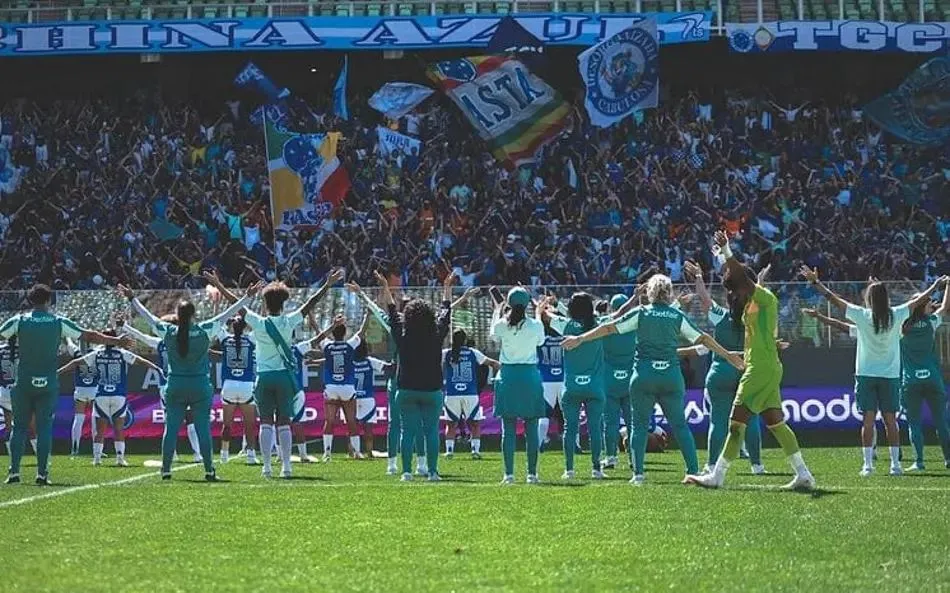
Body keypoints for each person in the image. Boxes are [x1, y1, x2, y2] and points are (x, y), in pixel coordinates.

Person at [563, 274, 743, 485]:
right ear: (669, 293)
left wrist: (580, 338)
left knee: (638, 427)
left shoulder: (641, 313)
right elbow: (703, 338)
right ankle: (692, 471)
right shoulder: (676, 315)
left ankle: (638, 475)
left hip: (644, 376)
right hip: (671, 376)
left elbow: (610, 327)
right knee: (680, 426)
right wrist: (728, 355)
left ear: (649, 292)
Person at [686, 232, 816, 490]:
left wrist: (727, 251)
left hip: (758, 369)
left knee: (735, 424)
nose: (735, 292)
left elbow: (743, 281)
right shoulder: (750, 307)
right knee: (776, 423)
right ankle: (803, 474)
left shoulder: (764, 298)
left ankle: (717, 475)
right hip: (765, 366)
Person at [800, 267, 946, 476]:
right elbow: (918, 300)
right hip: (890, 375)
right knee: (891, 421)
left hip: (866, 374)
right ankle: (895, 465)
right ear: (886, 298)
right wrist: (934, 286)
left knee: (868, 421)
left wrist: (816, 283)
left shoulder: (862, 315)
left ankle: (868, 466)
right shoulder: (897, 314)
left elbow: (834, 299)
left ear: (868, 299)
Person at [121, 280, 258, 481]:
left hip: (175, 384)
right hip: (199, 386)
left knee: (171, 429)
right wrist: (247, 296)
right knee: (203, 429)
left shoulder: (168, 331)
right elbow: (228, 314)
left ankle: (166, 470)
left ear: (177, 315)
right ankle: (209, 470)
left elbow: (149, 318)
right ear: (194, 315)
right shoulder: (204, 329)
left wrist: (132, 298)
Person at [1, 284, 128, 485]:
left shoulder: (19, 321)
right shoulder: (59, 322)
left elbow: (2, 333)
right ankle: (42, 474)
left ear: (31, 300)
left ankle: (14, 473)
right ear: (49, 301)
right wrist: (116, 341)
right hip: (48, 382)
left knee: (19, 428)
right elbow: (89, 335)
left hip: (23, 382)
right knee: (44, 429)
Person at [243, 272, 341, 478]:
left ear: (265, 302)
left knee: (266, 422)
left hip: (263, 376)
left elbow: (234, 305)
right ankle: (286, 467)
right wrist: (327, 283)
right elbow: (311, 303)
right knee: (285, 421)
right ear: (283, 303)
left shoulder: (259, 323)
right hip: (284, 377)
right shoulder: (289, 321)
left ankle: (267, 467)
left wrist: (228, 289)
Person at [684, 261, 767, 475]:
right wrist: (760, 281)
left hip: (720, 371)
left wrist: (700, 277)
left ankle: (711, 465)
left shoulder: (720, 316)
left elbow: (704, 300)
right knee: (751, 419)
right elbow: (760, 299)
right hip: (747, 371)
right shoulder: (755, 317)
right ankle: (757, 465)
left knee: (718, 421)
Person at [385, 273, 455, 482]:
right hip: (432, 389)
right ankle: (432, 472)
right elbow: (446, 313)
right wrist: (446, 288)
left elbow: (391, 311)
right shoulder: (436, 334)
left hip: (406, 389)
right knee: (431, 431)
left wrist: (384, 287)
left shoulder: (402, 334)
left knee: (407, 431)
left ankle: (406, 472)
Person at [57, 333, 161, 467]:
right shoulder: (122, 353)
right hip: (118, 395)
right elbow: (141, 361)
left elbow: (76, 362)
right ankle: (120, 458)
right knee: (119, 429)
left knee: (100, 429)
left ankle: (97, 458)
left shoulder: (97, 354)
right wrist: (157, 368)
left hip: (101, 394)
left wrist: (58, 371)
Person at [119, 314, 204, 463]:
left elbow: (142, 336)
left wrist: (125, 327)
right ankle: (197, 454)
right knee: (190, 419)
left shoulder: (160, 343)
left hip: (166, 385)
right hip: (184, 383)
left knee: (170, 421)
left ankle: (173, 454)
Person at [543, 293, 608, 479]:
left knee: (570, 429)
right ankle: (597, 469)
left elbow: (545, 315)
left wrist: (546, 303)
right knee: (595, 429)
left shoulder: (565, 325)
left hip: (571, 386)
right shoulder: (600, 325)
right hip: (595, 386)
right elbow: (620, 314)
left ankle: (569, 470)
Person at [490, 287, 547, 485]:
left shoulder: (502, 324)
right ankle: (532, 474)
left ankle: (509, 475)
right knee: (532, 428)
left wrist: (497, 309)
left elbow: (493, 336)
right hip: (530, 375)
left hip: (508, 375)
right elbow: (540, 342)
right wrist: (539, 313)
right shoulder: (535, 325)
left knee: (508, 429)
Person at [442, 328, 499, 460]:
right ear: (465, 340)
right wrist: (506, 368)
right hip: (470, 393)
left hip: (452, 393)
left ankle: (449, 451)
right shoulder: (473, 352)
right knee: (475, 423)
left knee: (450, 424)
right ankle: (475, 450)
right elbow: (491, 363)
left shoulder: (447, 353)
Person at [319, 314, 367, 461]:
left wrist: (311, 316)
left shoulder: (327, 345)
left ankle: (327, 453)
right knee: (351, 421)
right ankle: (357, 452)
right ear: (345, 333)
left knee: (329, 421)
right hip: (347, 387)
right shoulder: (349, 345)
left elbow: (318, 334)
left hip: (331, 386)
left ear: (333, 332)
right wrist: (367, 315)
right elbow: (362, 332)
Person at [600, 294, 637, 470]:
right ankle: (633, 458)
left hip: (609, 379)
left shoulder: (605, 324)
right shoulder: (635, 326)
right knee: (632, 422)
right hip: (630, 378)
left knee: (610, 422)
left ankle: (611, 457)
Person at [217, 314, 258, 464]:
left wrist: (218, 310)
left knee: (227, 424)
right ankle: (251, 455)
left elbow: (217, 324)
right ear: (245, 326)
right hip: (246, 384)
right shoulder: (251, 340)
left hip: (229, 384)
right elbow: (258, 326)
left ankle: (224, 454)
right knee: (249, 424)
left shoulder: (225, 339)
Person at [353, 341, 389, 457]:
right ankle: (369, 452)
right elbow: (386, 367)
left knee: (352, 427)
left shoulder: (349, 362)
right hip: (367, 398)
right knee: (368, 427)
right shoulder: (370, 361)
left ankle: (353, 452)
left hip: (352, 398)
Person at [65, 337, 99, 458]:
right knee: (96, 419)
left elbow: (69, 343)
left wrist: (68, 335)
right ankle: (97, 449)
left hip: (81, 389)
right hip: (95, 389)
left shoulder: (77, 352)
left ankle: (75, 449)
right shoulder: (96, 352)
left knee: (78, 419)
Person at [536, 319, 564, 453]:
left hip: (546, 380)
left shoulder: (540, 341)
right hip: (563, 378)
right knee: (569, 413)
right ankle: (575, 444)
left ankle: (539, 442)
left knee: (544, 414)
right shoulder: (564, 339)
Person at [0, 337, 17, 455]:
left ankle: (12, 457)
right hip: (19, 391)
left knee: (9, 426)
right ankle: (41, 456)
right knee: (32, 426)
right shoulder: (23, 350)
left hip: (4, 391)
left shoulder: (1, 350)